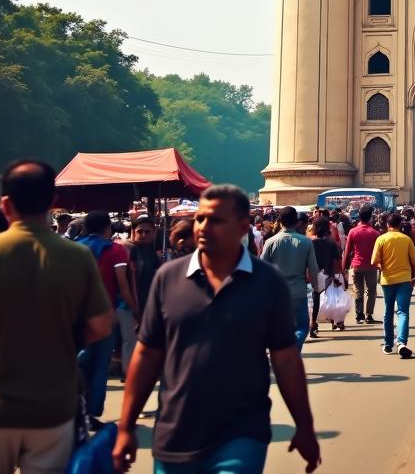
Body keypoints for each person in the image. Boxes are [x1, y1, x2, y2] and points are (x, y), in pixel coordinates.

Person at [113, 185, 319, 474]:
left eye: (217, 220)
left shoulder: (267, 283)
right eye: (200, 219)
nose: (204, 227)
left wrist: (305, 425)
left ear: (243, 227)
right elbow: (147, 355)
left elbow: (285, 359)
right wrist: (126, 427)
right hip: (176, 433)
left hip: (242, 430)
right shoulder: (168, 279)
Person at [0, 160, 113, 474]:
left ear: (5, 204)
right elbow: (101, 325)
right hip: (52, 406)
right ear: (52, 202)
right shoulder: (77, 256)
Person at [77, 209, 139, 428]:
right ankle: (91, 414)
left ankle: (76, 411)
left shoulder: (73, 247)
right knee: (99, 366)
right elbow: (122, 284)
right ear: (108, 228)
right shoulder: (116, 250)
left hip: (75, 318)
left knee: (80, 364)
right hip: (105, 317)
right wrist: (135, 310)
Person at [261, 206, 320, 353]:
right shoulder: (305, 242)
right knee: (302, 327)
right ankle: (294, 349)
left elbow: (262, 268)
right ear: (296, 222)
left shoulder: (271, 242)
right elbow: (313, 269)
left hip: (276, 292)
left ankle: (287, 354)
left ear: (280, 221)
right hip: (298, 291)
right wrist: (317, 288)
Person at [371, 211, 415, 358]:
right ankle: (402, 342)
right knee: (403, 312)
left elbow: (374, 261)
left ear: (387, 225)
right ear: (400, 225)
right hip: (404, 279)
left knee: (388, 312)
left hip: (387, 280)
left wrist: (382, 266)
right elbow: (414, 262)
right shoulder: (406, 239)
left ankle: (388, 343)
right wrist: (413, 275)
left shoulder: (381, 239)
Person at [120, 216, 162, 377]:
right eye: (140, 231)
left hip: (149, 302)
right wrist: (133, 305)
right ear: (133, 232)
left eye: (147, 232)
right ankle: (129, 373)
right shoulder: (127, 250)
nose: (143, 235)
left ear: (153, 233)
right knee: (129, 340)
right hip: (127, 303)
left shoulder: (153, 254)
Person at [344, 205, 380, 324]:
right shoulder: (375, 233)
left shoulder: (353, 232)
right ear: (370, 218)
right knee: (371, 291)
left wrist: (343, 267)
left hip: (356, 265)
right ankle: (369, 315)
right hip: (371, 266)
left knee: (358, 290)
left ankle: (359, 315)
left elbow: (347, 251)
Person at [308, 217, 344, 337]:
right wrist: (335, 276)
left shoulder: (311, 243)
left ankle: (313, 324)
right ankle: (334, 321)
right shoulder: (331, 243)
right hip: (328, 274)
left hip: (314, 274)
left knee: (315, 300)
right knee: (330, 298)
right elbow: (336, 261)